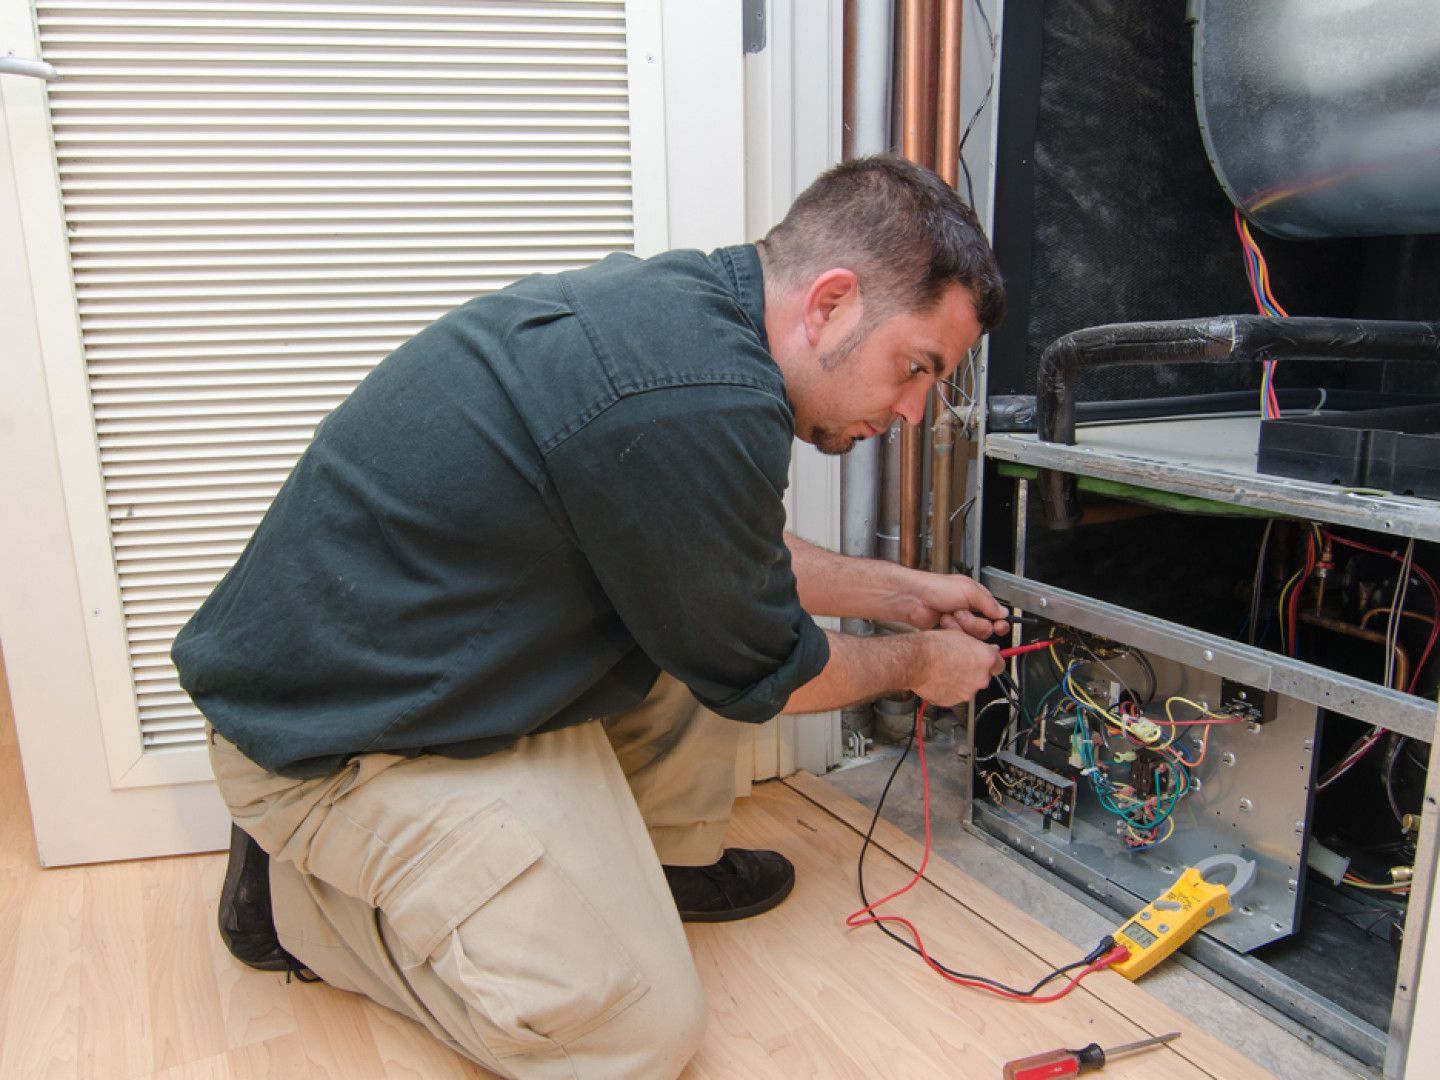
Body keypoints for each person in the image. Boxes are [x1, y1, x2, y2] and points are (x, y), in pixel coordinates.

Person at [174, 153, 1009, 1079]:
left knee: (704, 613)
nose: (913, 410)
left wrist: (900, 593)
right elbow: (780, 669)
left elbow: (717, 550)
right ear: (832, 303)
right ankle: (297, 907)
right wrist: (919, 663)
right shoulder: (703, 398)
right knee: (633, 1032)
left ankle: (660, 864)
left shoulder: (689, 316)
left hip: (412, 670)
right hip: (334, 743)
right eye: (915, 367)